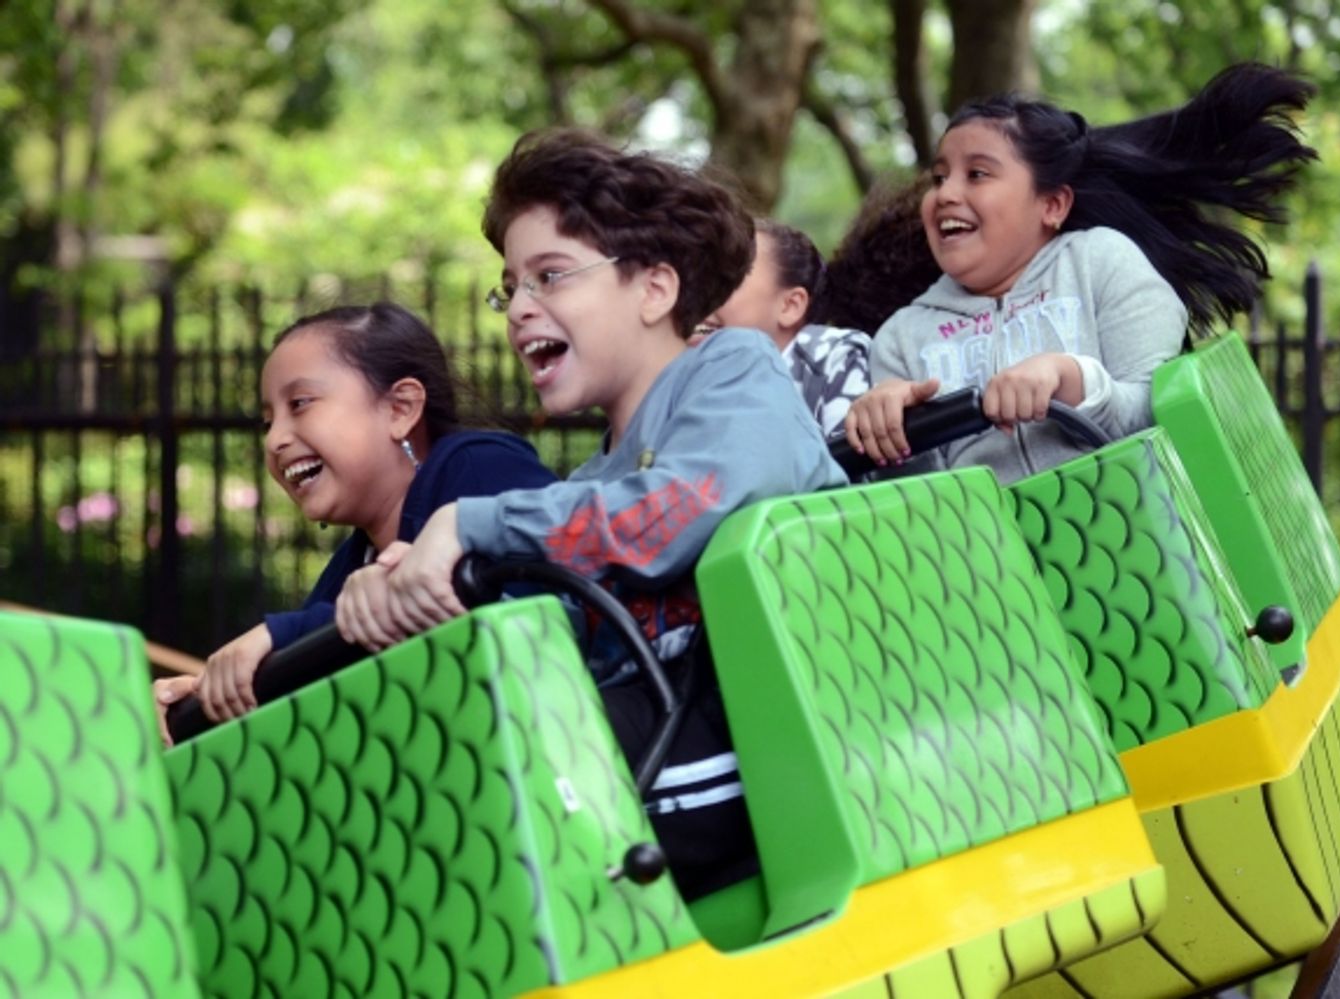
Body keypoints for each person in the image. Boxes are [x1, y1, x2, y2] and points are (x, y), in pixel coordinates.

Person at [334, 128, 848, 899]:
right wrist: (404, 589)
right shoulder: (595, 475)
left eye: (551, 276)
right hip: (674, 728)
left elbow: (676, 514)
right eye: (512, 287)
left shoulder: (733, 368)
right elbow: (553, 629)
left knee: (472, 807)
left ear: (654, 289)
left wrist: (469, 525)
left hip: (785, 723)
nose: (519, 309)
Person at [842, 62, 1316, 482]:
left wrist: (1072, 379)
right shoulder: (900, 339)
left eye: (977, 174)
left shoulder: (1102, 264)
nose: (945, 193)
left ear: (1052, 204)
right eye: (939, 177)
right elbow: (918, 507)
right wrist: (890, 433)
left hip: (1137, 554)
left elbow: (1162, 420)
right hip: (991, 573)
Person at [152, 302, 556, 738]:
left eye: (300, 404)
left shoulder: (480, 466)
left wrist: (280, 634)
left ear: (401, 408)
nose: (274, 439)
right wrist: (204, 695)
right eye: (268, 421)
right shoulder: (354, 560)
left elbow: (526, 620)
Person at [701, 219, 872, 439]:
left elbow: (849, 460)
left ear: (790, 306)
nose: (702, 294)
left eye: (727, 279)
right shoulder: (678, 370)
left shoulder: (831, 357)